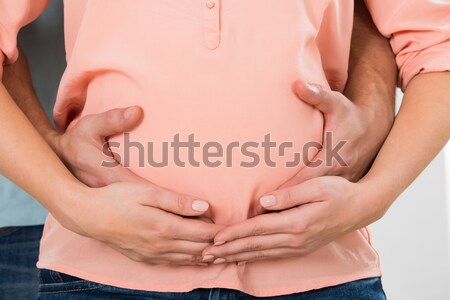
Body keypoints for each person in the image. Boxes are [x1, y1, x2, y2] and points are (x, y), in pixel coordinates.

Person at [0, 1, 449, 299]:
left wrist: (373, 198)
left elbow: (437, 47)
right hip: (107, 270)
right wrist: (71, 203)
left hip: (318, 269)